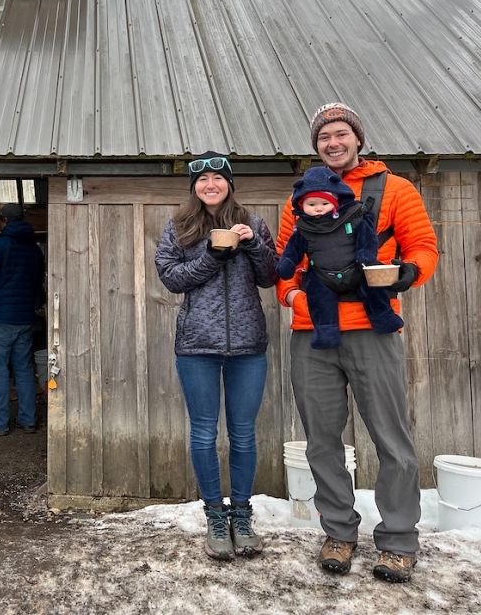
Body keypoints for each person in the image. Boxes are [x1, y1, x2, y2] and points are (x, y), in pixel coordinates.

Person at [276, 103, 438, 583]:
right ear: (317, 146)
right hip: (313, 336)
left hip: (373, 329)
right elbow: (285, 267)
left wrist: (405, 275)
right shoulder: (298, 198)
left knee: (392, 439)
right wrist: (296, 299)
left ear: (357, 138)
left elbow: (424, 248)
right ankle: (339, 533)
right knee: (321, 442)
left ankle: (398, 541)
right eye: (324, 137)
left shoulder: (396, 190)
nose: (333, 143)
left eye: (341, 133)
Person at [154, 151, 278, 561]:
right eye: (202, 180)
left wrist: (253, 243)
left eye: (217, 178)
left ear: (229, 183)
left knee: (243, 432)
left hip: (247, 344)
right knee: (204, 432)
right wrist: (213, 255)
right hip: (197, 345)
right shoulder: (179, 227)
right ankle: (214, 513)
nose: (210, 185)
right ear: (193, 187)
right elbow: (172, 279)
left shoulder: (254, 223)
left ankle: (241, 513)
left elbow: (269, 277)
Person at [276, 166, 403, 350]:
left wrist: (365, 257)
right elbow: (289, 251)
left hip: (356, 270)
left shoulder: (354, 217)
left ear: (335, 202)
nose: (318, 208)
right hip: (321, 276)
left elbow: (366, 239)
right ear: (301, 206)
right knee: (319, 300)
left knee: (373, 289)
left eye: (324, 204)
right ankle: (326, 333)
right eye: (312, 205)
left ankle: (384, 317)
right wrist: (288, 275)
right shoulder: (302, 228)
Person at [0, 203, 43, 436]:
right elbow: (37, 284)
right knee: (23, 368)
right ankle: (28, 420)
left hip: (1, 318)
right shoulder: (34, 249)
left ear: (5, 220)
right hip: (24, 318)